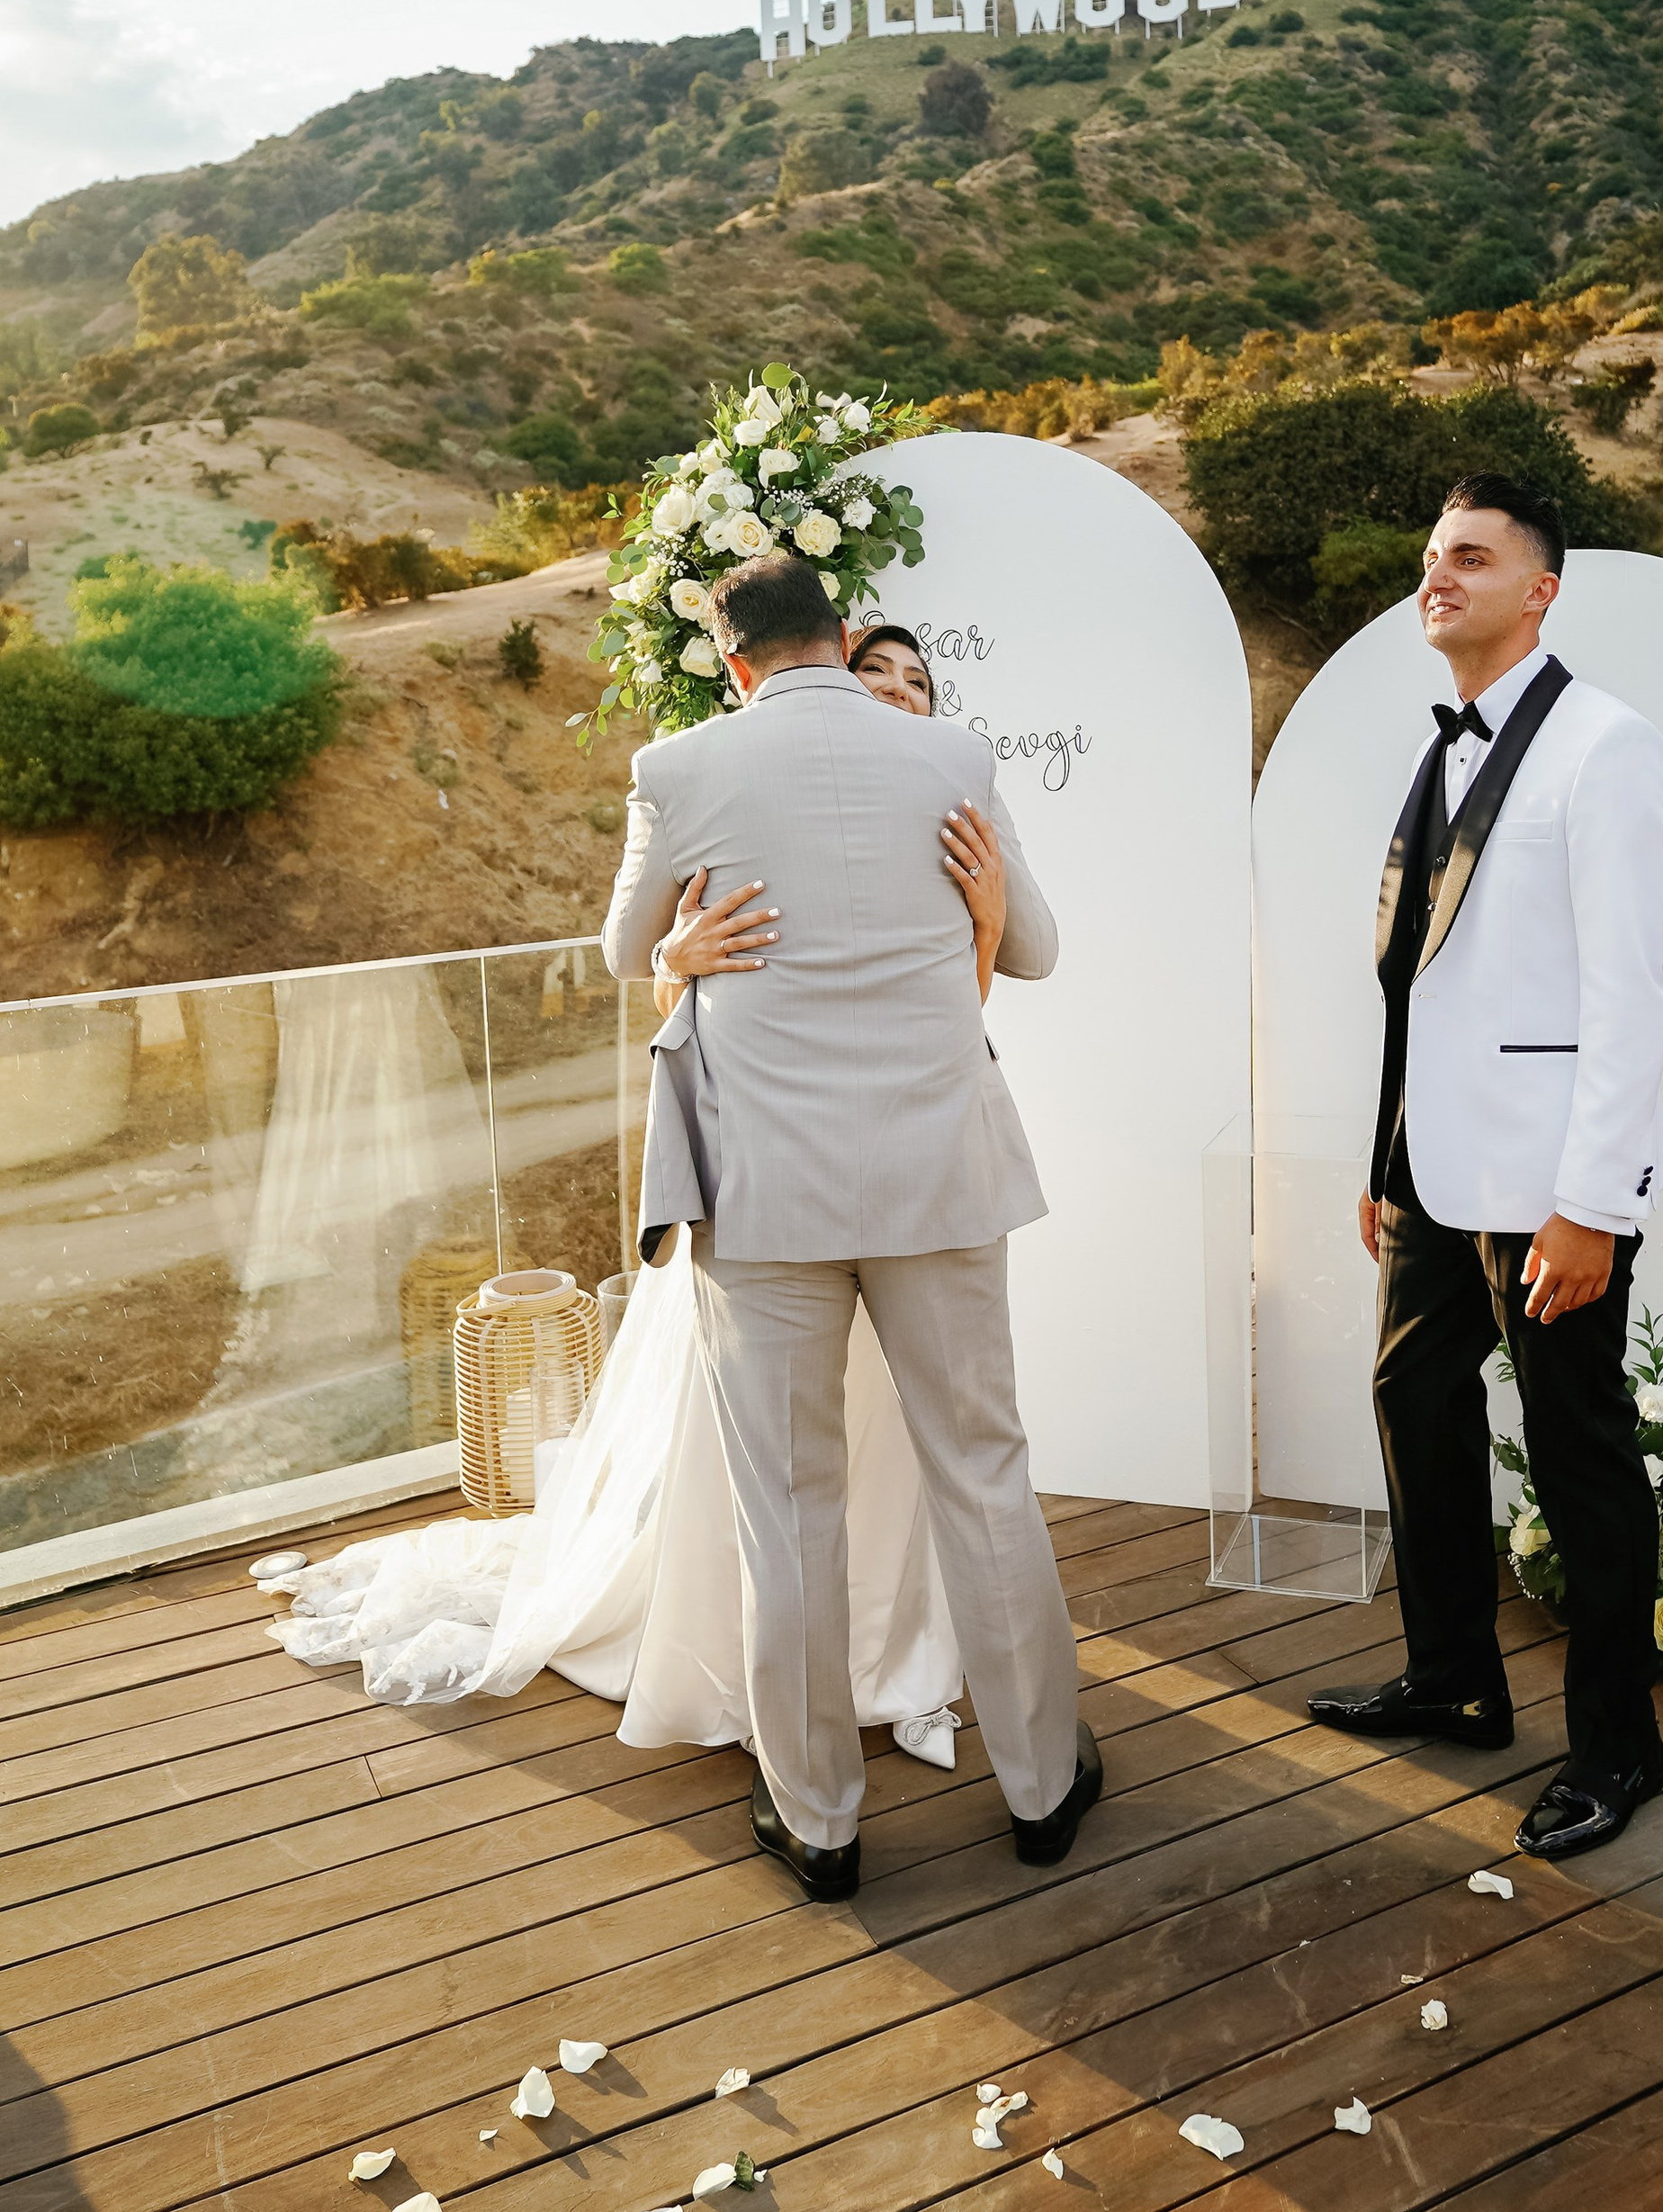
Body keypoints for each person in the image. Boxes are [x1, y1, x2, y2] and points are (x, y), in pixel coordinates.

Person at [265, 615, 1001, 1757]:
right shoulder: (749, 805)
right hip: (770, 1195)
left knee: (900, 1455)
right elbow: (673, 997)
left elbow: (967, 1012)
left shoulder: (955, 814)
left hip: (920, 1183)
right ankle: (769, 1685)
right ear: (835, 677)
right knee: (771, 1477)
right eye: (879, 675)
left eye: (920, 681)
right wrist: (673, 958)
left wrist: (991, 915)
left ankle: (894, 1656)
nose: (901, 695)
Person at [602, 553, 1099, 1902]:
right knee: (984, 1476)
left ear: (733, 658)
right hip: (939, 1177)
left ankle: (820, 1821)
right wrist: (981, 906)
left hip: (766, 1199)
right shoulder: (949, 756)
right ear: (838, 634)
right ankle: (1045, 1788)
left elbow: (621, 948)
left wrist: (677, 955)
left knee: (789, 1510)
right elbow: (1037, 949)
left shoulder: (681, 768)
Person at [1308, 474, 1663, 1863]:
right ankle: (1456, 1675)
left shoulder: (1608, 747)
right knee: (1413, 1394)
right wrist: (1383, 1157)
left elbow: (1632, 993)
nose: (1437, 577)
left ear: (1544, 588)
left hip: (1551, 1188)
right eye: (1428, 558)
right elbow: (1419, 980)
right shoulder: (1445, 748)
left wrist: (1592, 1204)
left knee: (1580, 1457)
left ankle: (1615, 1750)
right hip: (1432, 1167)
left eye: (1469, 556)